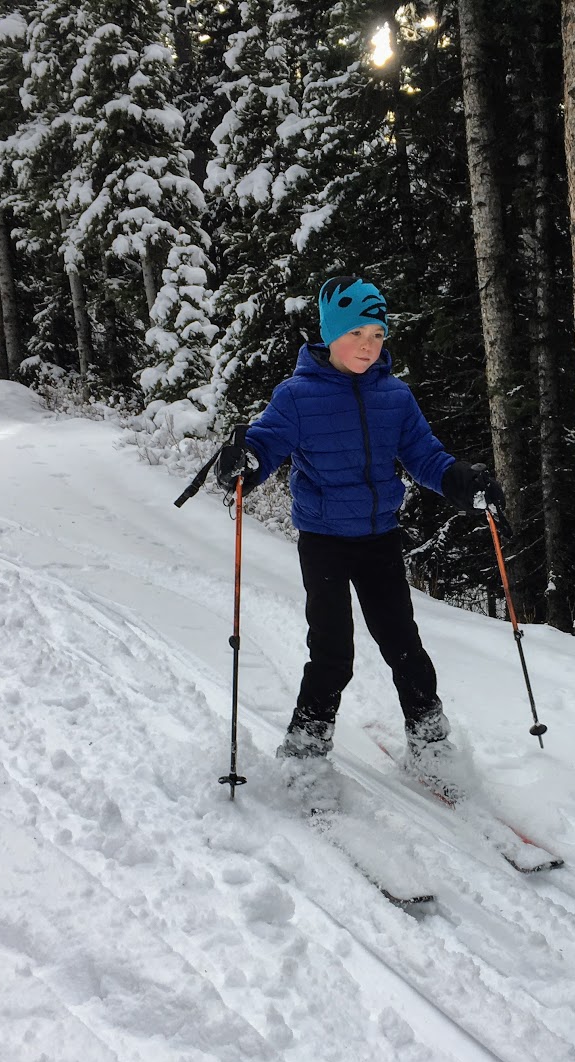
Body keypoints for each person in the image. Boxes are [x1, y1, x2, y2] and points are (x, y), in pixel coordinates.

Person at [214, 275, 505, 795]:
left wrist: (462, 482)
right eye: (357, 335)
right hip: (324, 539)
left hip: (380, 538)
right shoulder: (298, 395)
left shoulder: (394, 395)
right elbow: (266, 445)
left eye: (377, 334)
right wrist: (245, 461)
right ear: (330, 335)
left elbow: (425, 455)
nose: (368, 346)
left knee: (404, 644)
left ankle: (432, 744)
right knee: (333, 651)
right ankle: (305, 751)